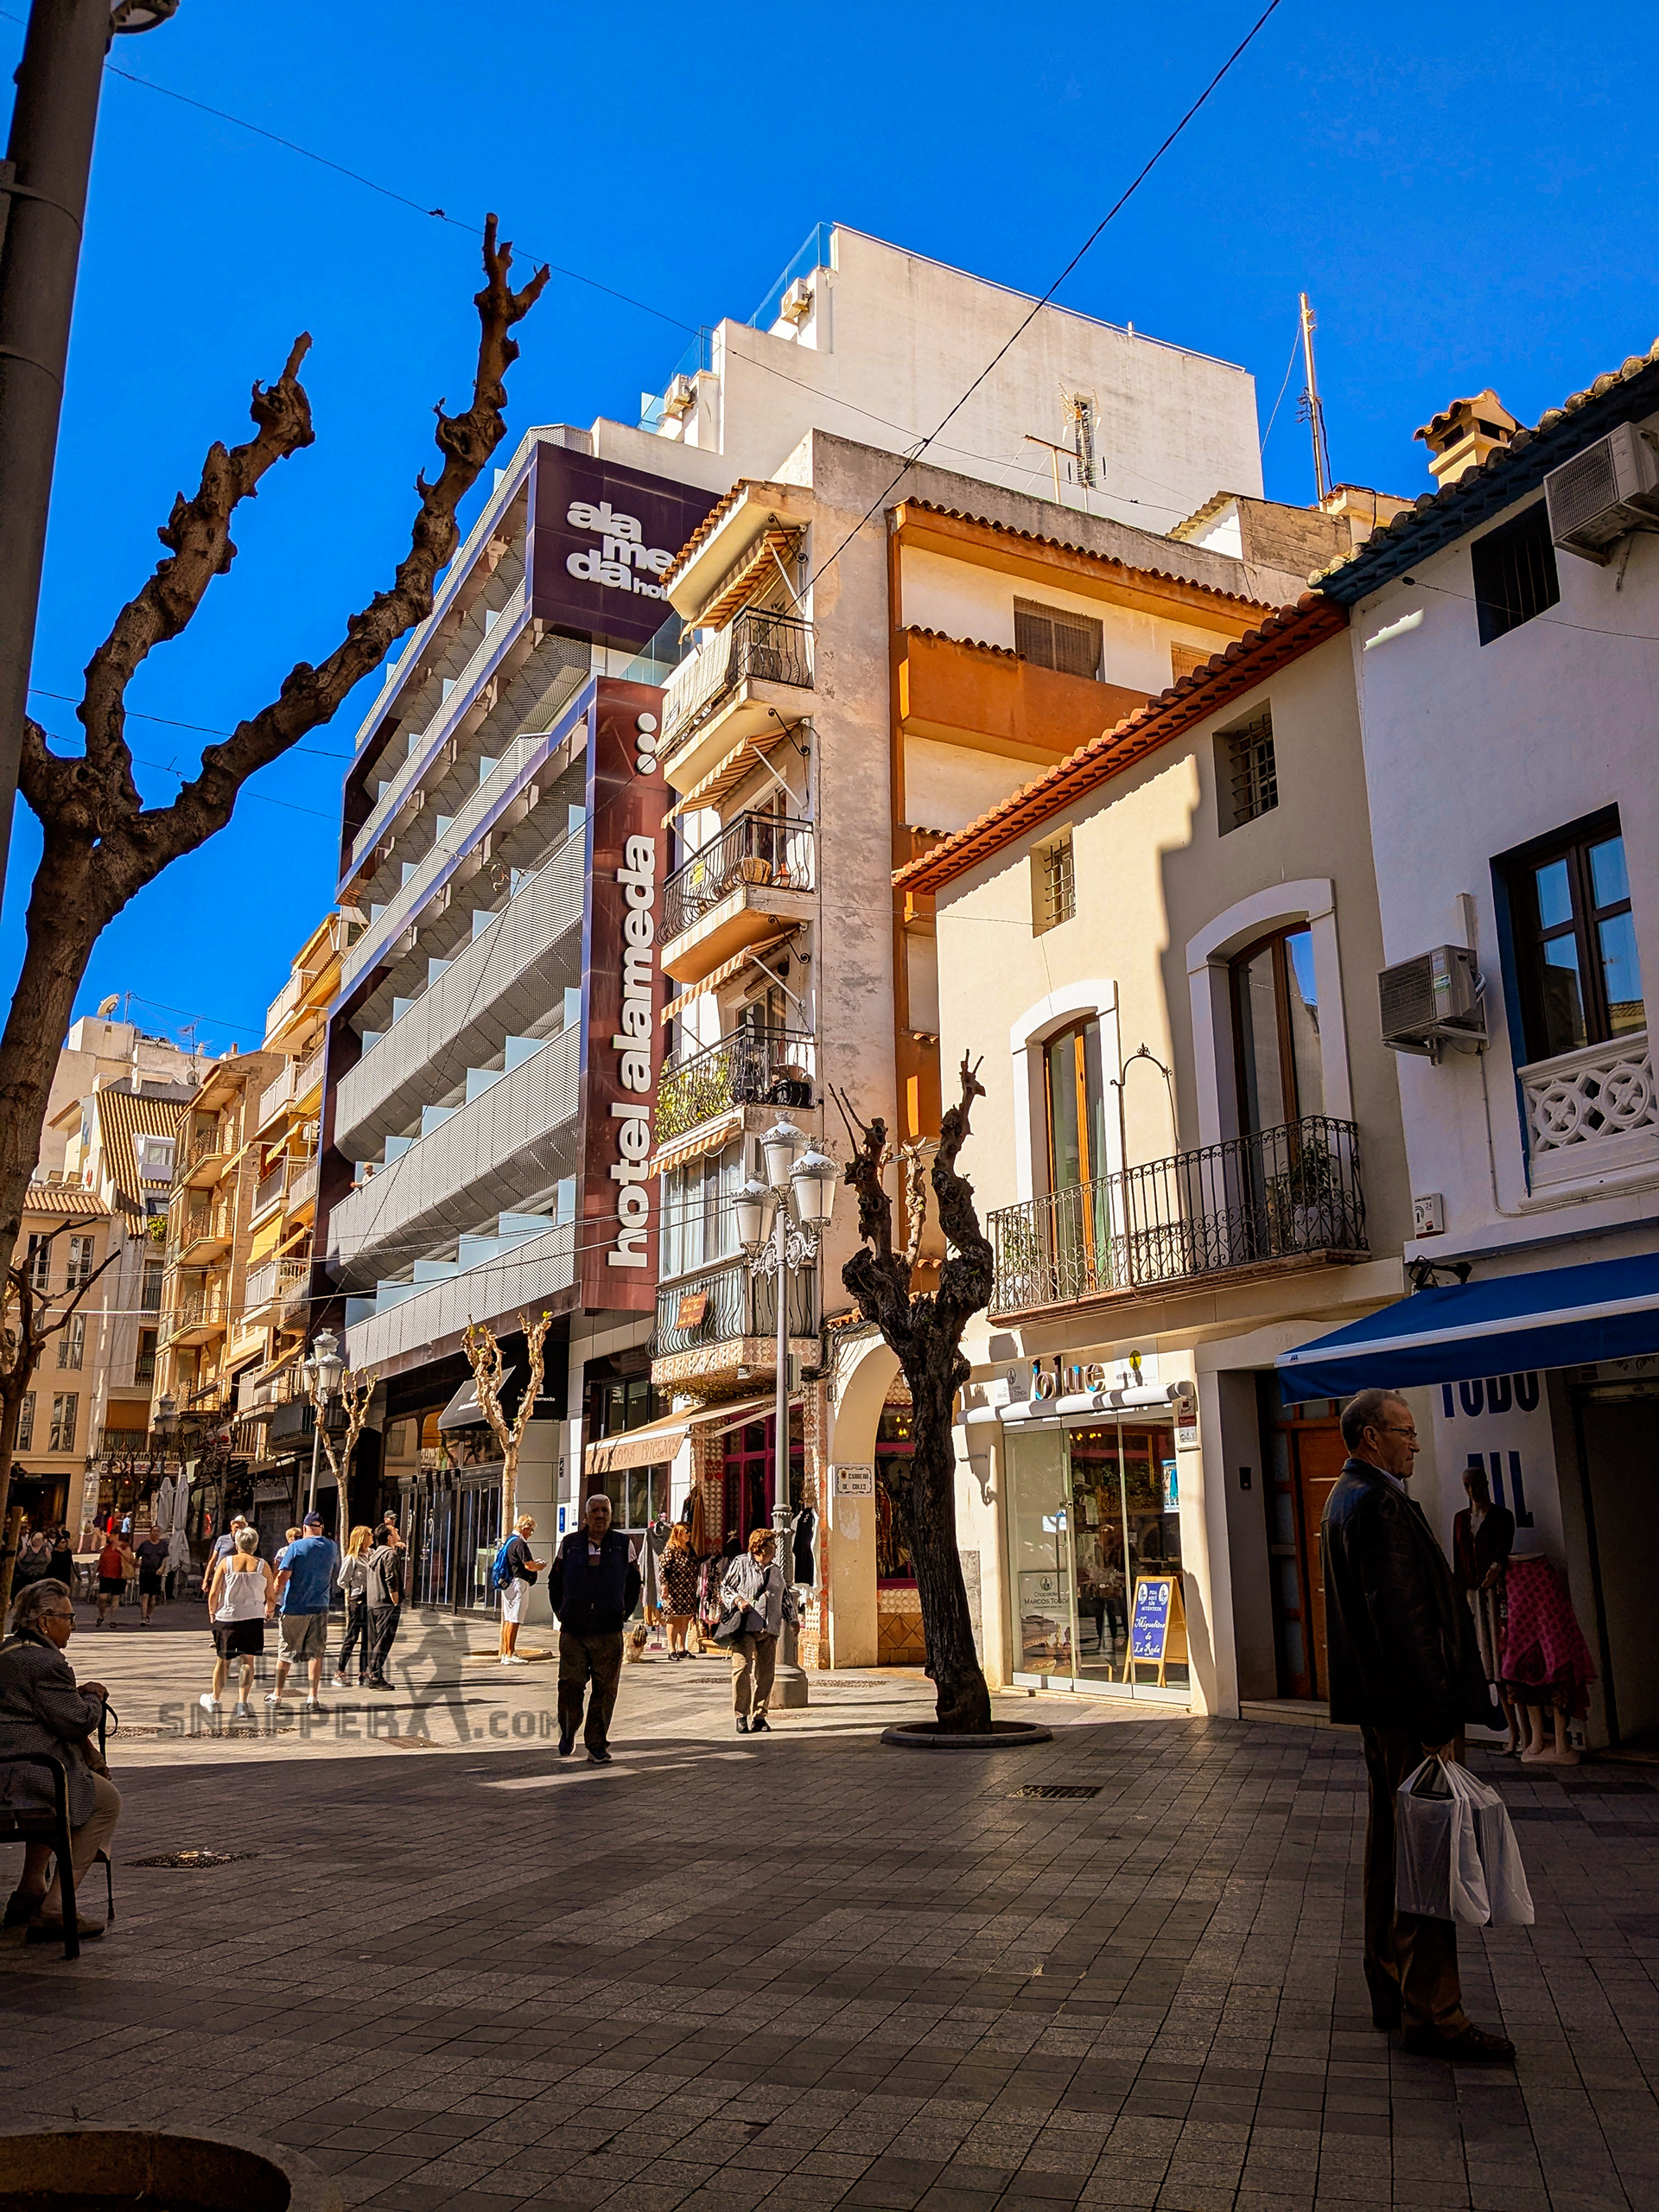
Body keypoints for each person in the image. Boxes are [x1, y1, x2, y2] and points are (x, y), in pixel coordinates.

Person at [1320, 1387, 1513, 2063]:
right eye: (1404, 1432)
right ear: (1370, 1437)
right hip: (1409, 1711)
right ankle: (1434, 2010)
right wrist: (1437, 1717)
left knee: (1390, 1849)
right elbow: (1403, 1621)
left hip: (1383, 1710)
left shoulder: (1345, 1498)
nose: (1416, 1443)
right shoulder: (1377, 1505)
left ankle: (1390, 1985)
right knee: (1428, 1852)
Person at [0, 1579, 118, 1943]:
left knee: (58, 1800)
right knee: (105, 1802)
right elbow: (76, 1722)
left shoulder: (9, 1650)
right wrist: (94, 1698)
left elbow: (51, 1707)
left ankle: (31, 1887)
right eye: (69, 1617)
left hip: (12, 1767)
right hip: (24, 1772)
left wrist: (75, 1695)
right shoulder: (44, 1662)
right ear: (45, 1621)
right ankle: (54, 1908)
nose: (73, 1625)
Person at [550, 1495, 639, 1764]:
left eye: (605, 1510)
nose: (600, 1515)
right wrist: (561, 1612)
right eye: (595, 1511)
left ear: (611, 1515)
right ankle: (568, 1731)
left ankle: (597, 1744)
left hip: (609, 1630)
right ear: (586, 1516)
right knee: (570, 1686)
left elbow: (634, 1582)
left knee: (605, 1690)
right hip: (574, 1630)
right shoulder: (571, 1544)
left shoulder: (624, 1545)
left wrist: (624, 1610)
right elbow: (555, 1581)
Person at [721, 1529, 798, 1735]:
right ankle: (741, 1716)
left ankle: (760, 1716)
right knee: (741, 1670)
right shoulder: (741, 1563)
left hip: (769, 1628)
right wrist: (738, 1601)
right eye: (772, 1544)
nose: (776, 1548)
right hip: (745, 1627)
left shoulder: (775, 1569)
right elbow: (725, 1588)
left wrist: (793, 1619)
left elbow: (784, 1596)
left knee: (766, 1675)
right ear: (761, 1546)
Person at [266, 1511, 338, 1713]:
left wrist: (271, 1601)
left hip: (295, 1607)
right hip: (320, 1606)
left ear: (305, 1528)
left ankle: (277, 1695)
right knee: (316, 1653)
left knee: (286, 1652)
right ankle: (313, 1697)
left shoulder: (295, 1547)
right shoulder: (333, 1547)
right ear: (321, 1528)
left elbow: (282, 1577)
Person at [200, 1527, 273, 1721]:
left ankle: (214, 1700)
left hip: (227, 1618)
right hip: (253, 1618)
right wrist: (270, 1610)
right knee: (248, 1662)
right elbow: (271, 1594)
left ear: (236, 1544)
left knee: (223, 1661)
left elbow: (214, 1591)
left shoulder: (226, 1562)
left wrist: (211, 1611)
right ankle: (242, 1703)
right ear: (255, 1545)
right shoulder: (263, 1565)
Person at [496, 1512, 545, 1666]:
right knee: (515, 1620)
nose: (531, 1534)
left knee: (509, 1619)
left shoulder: (510, 1540)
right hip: (518, 1583)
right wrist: (540, 1566)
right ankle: (510, 1653)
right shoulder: (520, 1543)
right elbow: (528, 1565)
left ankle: (506, 1653)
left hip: (509, 1583)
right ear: (525, 1528)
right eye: (531, 1530)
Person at [363, 1521, 408, 1690]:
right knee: (383, 1641)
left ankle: (374, 1673)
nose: (397, 1532)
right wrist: (395, 1599)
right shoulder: (390, 1555)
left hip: (373, 1603)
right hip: (385, 1604)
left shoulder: (375, 1554)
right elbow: (391, 1579)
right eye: (395, 1531)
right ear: (389, 1537)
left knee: (374, 1641)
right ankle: (375, 1676)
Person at [332, 1525, 375, 1690]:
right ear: (362, 1538)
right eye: (369, 1534)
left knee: (367, 1638)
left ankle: (363, 1672)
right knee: (352, 1636)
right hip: (358, 1599)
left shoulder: (372, 1554)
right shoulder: (352, 1558)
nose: (372, 1537)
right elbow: (341, 1581)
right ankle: (340, 1671)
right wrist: (355, 1586)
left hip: (371, 1598)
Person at [659, 1520, 698, 1659]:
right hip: (674, 1589)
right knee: (673, 1618)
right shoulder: (671, 1550)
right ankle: (672, 1649)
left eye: (690, 1531)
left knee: (685, 1618)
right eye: (686, 1531)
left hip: (688, 1589)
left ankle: (682, 1648)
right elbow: (663, 1569)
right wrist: (664, 1586)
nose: (689, 1534)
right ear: (678, 1533)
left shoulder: (690, 1549)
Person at [92, 1529, 132, 1629]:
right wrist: (97, 1572)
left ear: (116, 1536)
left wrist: (121, 1551)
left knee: (115, 1598)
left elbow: (131, 1558)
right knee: (102, 1598)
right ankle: (101, 1615)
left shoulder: (124, 1546)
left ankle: (113, 1619)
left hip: (118, 1575)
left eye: (111, 1535)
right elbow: (101, 1559)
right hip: (105, 1575)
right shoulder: (107, 1547)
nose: (108, 1536)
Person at [134, 1528, 169, 1624]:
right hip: (145, 1572)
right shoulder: (145, 1545)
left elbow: (165, 1558)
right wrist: (134, 1567)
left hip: (156, 1573)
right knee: (145, 1596)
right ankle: (143, 1617)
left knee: (152, 1599)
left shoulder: (163, 1545)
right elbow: (137, 1557)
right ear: (150, 1533)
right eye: (154, 1531)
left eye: (158, 1531)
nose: (156, 1533)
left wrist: (162, 1568)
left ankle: (148, 1614)